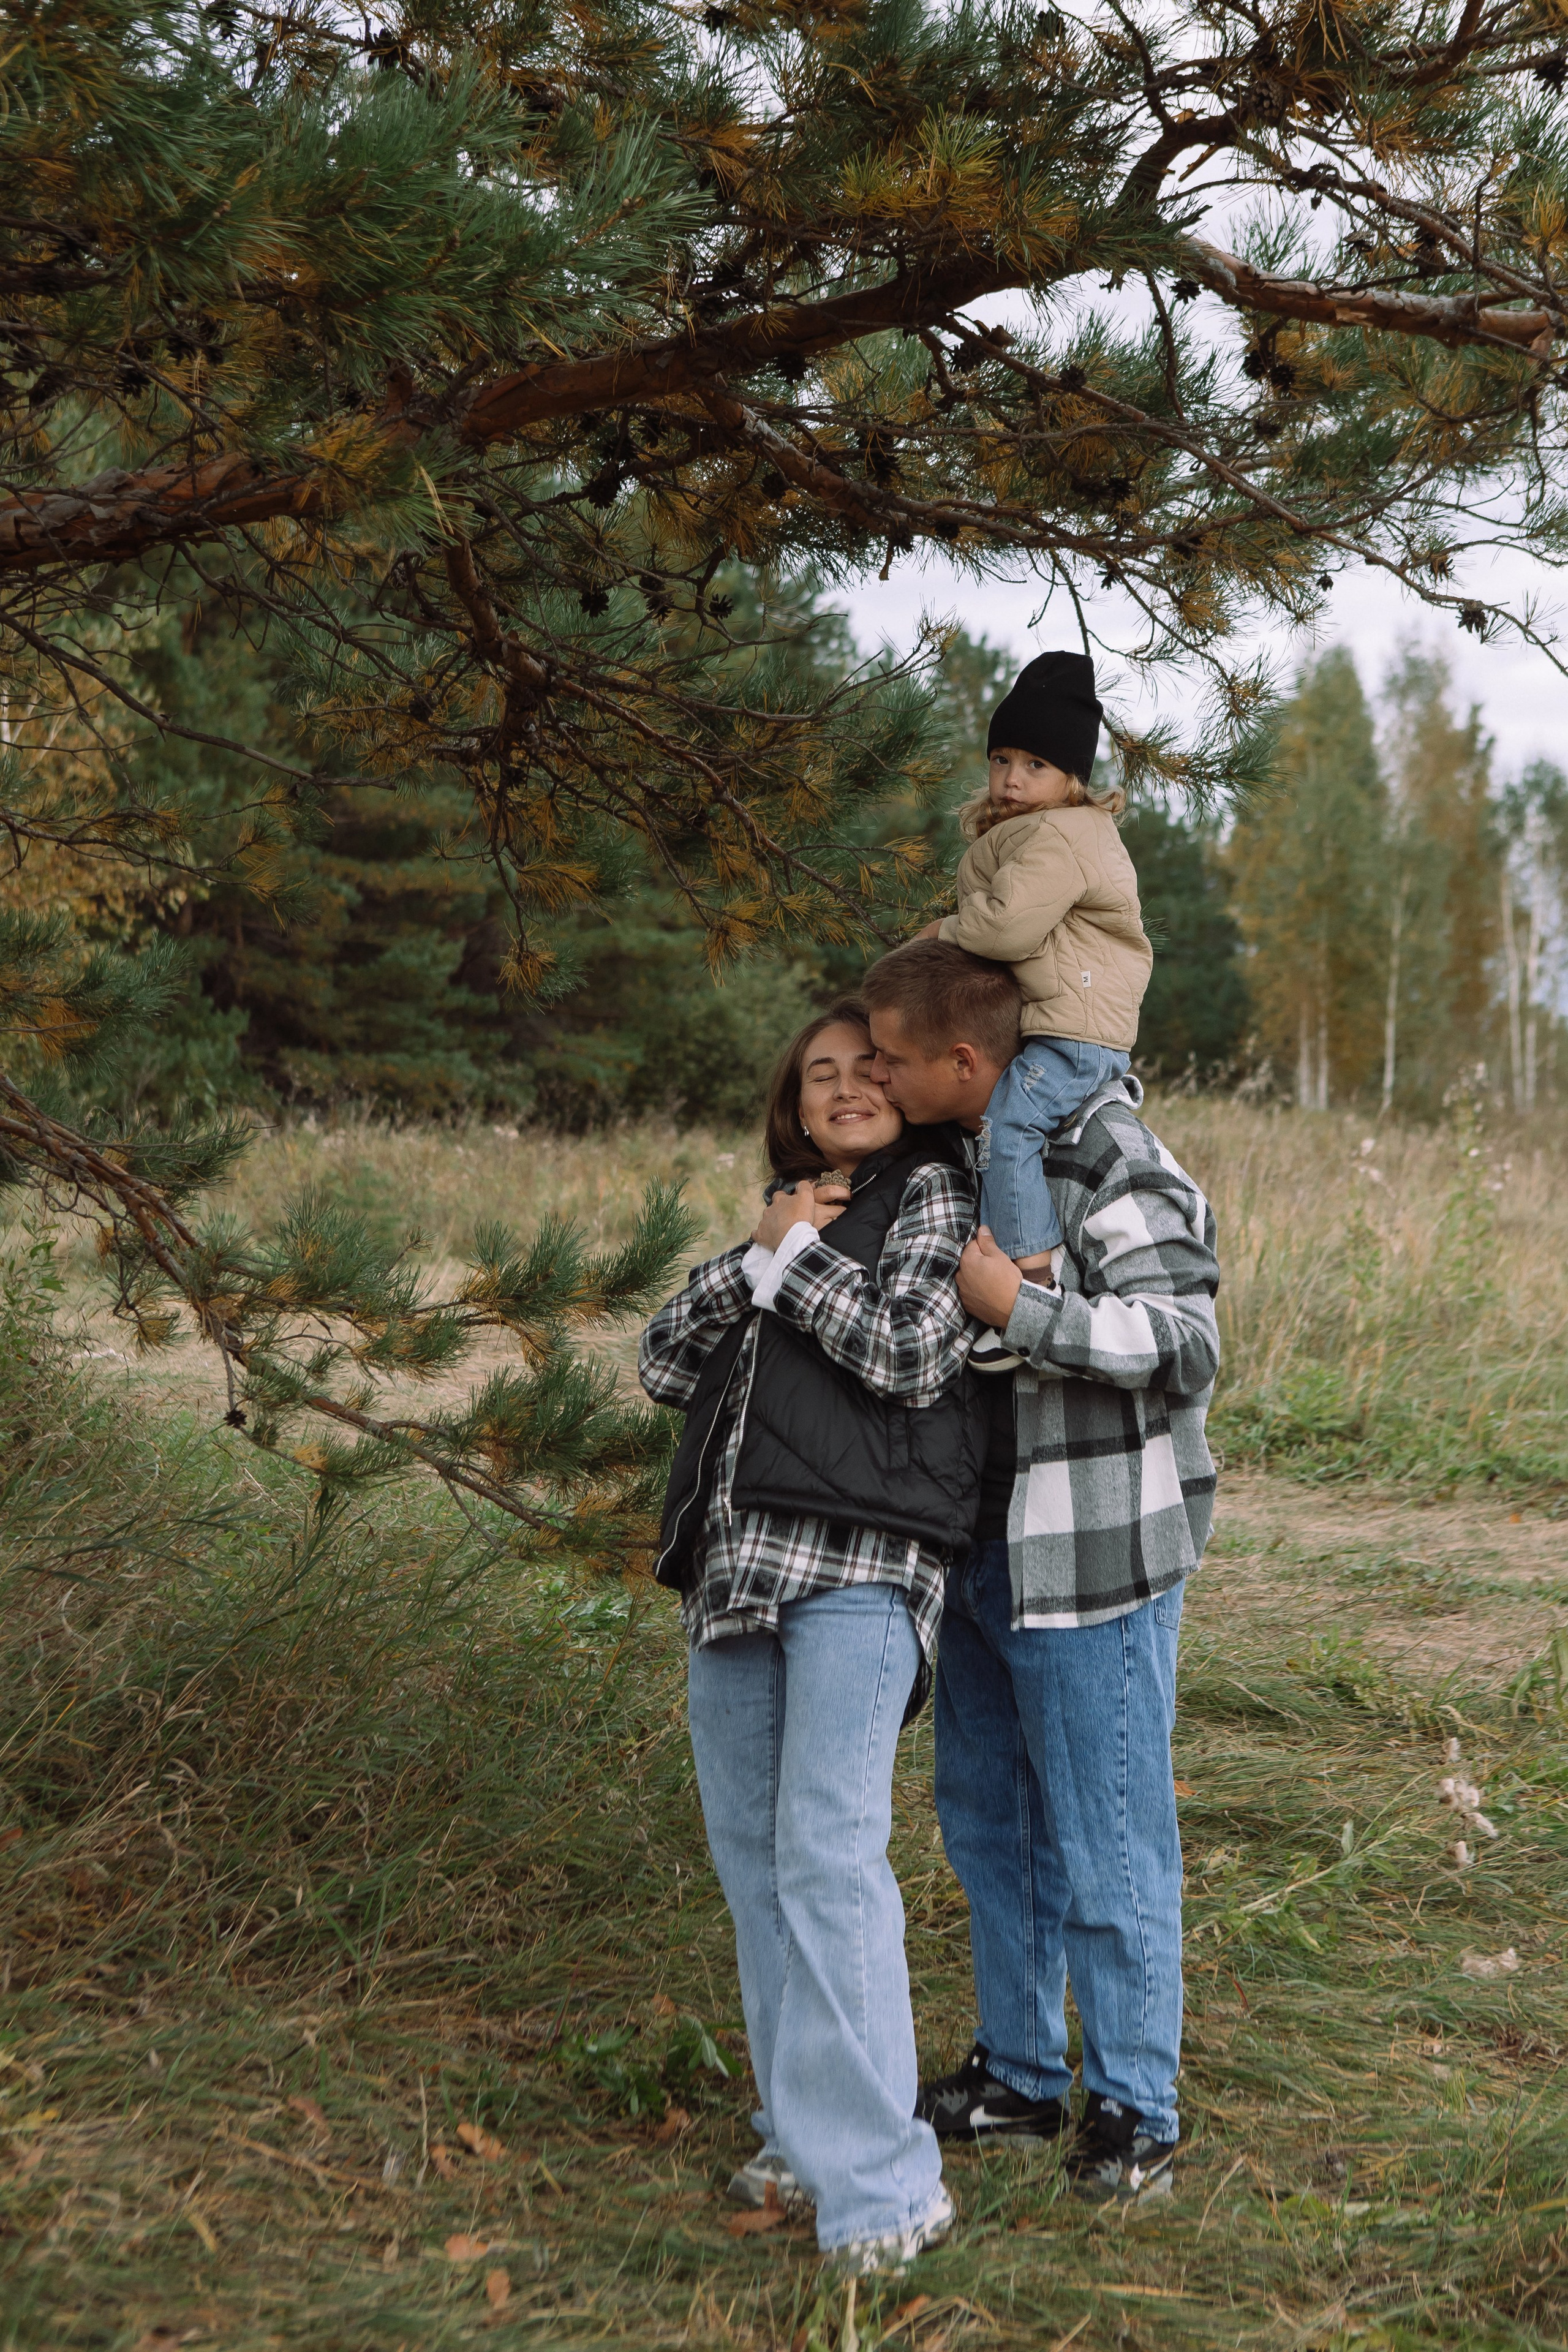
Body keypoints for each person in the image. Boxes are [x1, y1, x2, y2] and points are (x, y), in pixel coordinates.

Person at [861, 940, 1219, 2201]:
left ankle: (1137, 2113)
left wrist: (1020, 1310)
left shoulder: (1108, 1155)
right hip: (977, 1553)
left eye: (893, 1060)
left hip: (1091, 1561)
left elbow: (1184, 1338)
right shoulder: (952, 1161)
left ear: (964, 1061)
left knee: (1109, 1841)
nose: (877, 1077)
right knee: (990, 1825)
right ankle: (1017, 2077)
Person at [638, 1001, 987, 2274]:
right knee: (758, 1867)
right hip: (735, 1579)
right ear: (792, 1104)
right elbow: (661, 1359)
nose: (844, 1086)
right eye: (818, 1073)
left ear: (904, 1086)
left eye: (867, 1069)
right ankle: (803, 2135)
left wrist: (790, 1263)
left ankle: (889, 2188)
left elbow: (909, 1353)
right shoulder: (786, 1214)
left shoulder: (934, 1196)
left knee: (830, 1859)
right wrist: (765, 1249)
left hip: (859, 1565)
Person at [924, 652, 1152, 1365]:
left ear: (1071, 779)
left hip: (1076, 1031)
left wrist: (939, 934)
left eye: (1035, 765)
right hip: (1060, 1021)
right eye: (1001, 760)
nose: (1012, 779)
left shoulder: (1061, 835)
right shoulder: (1035, 831)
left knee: (1010, 1122)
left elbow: (1003, 929)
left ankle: (1030, 1285)